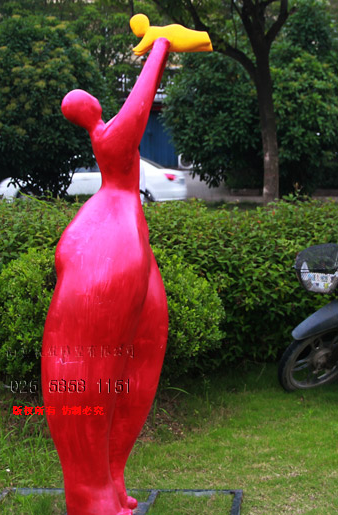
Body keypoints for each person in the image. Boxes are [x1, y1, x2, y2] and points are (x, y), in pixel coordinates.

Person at [41, 16, 211, 515]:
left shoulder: (107, 135)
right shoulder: (109, 136)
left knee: (138, 357)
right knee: (94, 362)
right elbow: (137, 112)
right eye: (87, 102)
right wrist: (160, 47)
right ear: (86, 113)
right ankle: (90, 491)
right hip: (112, 239)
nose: (94, 103)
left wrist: (157, 43)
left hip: (127, 238)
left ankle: (112, 478)